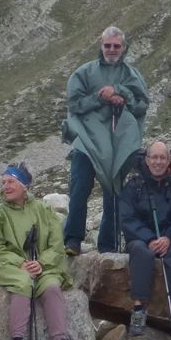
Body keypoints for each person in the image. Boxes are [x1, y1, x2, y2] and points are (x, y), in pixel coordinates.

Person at [61, 26, 149, 255]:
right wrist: (100, 97)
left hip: (117, 145)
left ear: (124, 47)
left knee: (114, 193)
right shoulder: (83, 73)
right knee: (80, 188)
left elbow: (141, 105)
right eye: (107, 45)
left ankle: (108, 246)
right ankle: (72, 240)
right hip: (87, 142)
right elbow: (74, 104)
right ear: (100, 46)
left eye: (116, 46)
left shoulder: (132, 75)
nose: (111, 50)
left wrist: (121, 94)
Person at [0, 162, 81, 340]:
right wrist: (21, 263)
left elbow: (56, 245)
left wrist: (41, 264)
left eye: (11, 181)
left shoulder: (43, 210)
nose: (6, 187)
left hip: (42, 267)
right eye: (4, 182)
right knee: (23, 281)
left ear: (25, 185)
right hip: (9, 267)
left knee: (52, 286)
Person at [119, 140, 171, 335]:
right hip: (143, 239)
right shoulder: (133, 186)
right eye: (154, 157)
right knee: (139, 251)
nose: (158, 162)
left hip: (170, 239)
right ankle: (138, 309)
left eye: (163, 158)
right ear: (147, 159)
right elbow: (127, 219)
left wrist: (169, 237)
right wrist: (150, 239)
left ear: (169, 161)